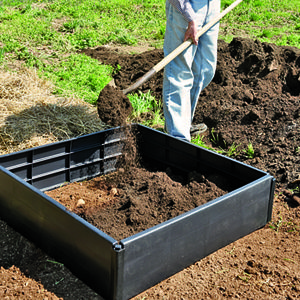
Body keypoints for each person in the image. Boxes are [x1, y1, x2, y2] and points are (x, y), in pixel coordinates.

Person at [163, 0, 220, 142]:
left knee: (204, 69)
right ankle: (178, 137)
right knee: (179, 72)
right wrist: (190, 16)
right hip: (187, 8)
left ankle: (181, 123)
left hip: (212, 5)